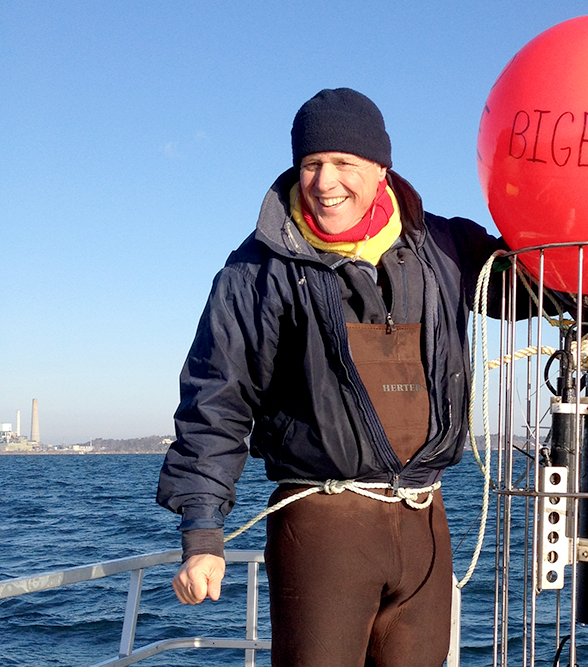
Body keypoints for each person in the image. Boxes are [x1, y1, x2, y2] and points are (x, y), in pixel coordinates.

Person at [156, 88, 506, 667]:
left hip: (425, 522)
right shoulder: (256, 272)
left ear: (380, 169)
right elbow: (214, 403)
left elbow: (538, 280)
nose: (325, 182)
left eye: (344, 163)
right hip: (322, 527)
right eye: (312, 164)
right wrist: (202, 539)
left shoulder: (443, 246)